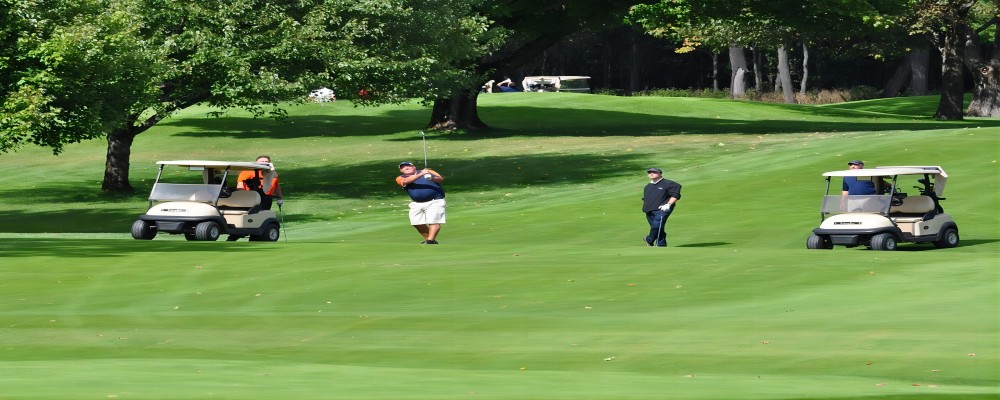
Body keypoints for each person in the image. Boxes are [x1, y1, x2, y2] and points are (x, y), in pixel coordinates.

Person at [396, 161, 446, 244]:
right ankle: (430, 240)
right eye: (403, 167)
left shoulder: (428, 171)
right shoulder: (400, 177)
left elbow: (440, 179)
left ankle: (430, 241)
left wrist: (431, 178)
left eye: (408, 166)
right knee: (416, 223)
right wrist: (421, 174)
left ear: (414, 167)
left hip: (435, 201)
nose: (406, 168)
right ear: (401, 170)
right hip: (416, 203)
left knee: (433, 221)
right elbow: (405, 182)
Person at [642, 167, 682, 247]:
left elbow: (676, 195)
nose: (651, 174)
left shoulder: (668, 183)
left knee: (657, 225)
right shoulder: (647, 186)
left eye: (654, 172)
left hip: (662, 209)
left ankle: (649, 239)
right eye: (649, 172)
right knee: (658, 228)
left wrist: (668, 204)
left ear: (660, 174)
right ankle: (661, 244)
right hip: (649, 210)